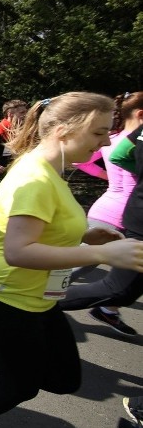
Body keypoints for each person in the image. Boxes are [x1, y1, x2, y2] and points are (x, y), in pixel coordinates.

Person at [0, 92, 143, 428]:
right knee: (21, 384)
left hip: (38, 297)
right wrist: (103, 256)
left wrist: (88, 235)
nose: (107, 140)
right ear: (63, 130)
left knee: (63, 377)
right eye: (99, 132)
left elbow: (42, 225)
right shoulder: (35, 178)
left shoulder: (48, 170)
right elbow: (18, 251)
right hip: (7, 297)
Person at [57, 93, 143, 335]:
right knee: (73, 268)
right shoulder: (130, 140)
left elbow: (82, 163)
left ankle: (109, 309)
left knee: (85, 268)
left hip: (110, 208)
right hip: (115, 214)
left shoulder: (114, 138)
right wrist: (109, 178)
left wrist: (107, 178)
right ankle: (26, 305)